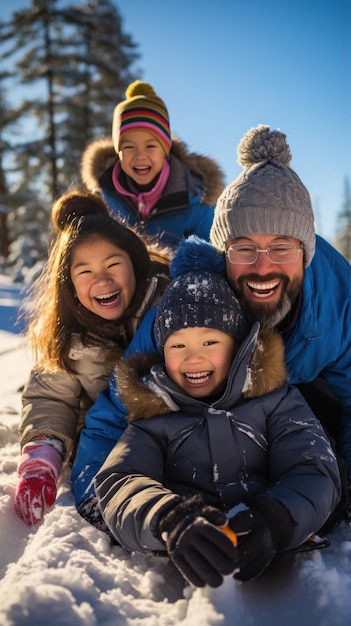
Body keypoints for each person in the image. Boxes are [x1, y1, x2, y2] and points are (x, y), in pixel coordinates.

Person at [72, 124, 351, 525]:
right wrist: (104, 497)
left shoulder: (338, 297)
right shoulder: (195, 303)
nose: (262, 267)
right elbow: (120, 402)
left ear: (304, 252)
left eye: (281, 248)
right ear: (223, 254)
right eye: (244, 249)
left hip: (302, 396)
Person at [94, 268, 341, 588]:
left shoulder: (276, 400)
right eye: (178, 346)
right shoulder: (153, 418)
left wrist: (277, 518)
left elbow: (314, 465)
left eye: (210, 341)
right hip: (185, 582)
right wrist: (170, 518)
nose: (193, 358)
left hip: (282, 576)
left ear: (237, 345)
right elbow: (121, 480)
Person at [15, 191, 170, 527]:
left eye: (113, 264)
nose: (102, 279)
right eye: (84, 271)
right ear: (68, 283)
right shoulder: (67, 335)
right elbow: (50, 397)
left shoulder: (167, 304)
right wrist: (43, 455)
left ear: (135, 262)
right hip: (108, 446)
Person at [80, 80, 224, 249]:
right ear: (118, 152)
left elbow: (211, 255)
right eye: (129, 147)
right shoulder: (104, 200)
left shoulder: (195, 200)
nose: (140, 155)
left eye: (151, 146)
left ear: (165, 150)